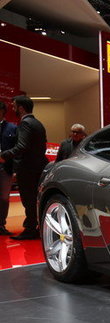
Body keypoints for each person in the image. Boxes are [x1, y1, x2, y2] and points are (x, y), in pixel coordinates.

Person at [0, 95, 48, 240]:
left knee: (28, 200)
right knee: (34, 199)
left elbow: (21, 146)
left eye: (14, 106)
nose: (13, 109)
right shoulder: (38, 123)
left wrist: (4, 155)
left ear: (21, 108)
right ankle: (35, 227)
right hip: (38, 167)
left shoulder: (25, 123)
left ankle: (30, 229)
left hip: (27, 168)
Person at [0, 102, 17, 236]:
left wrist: (15, 169)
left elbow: (17, 150)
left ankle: (1, 225)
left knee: (4, 198)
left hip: (5, 168)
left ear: (3, 111)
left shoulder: (13, 128)